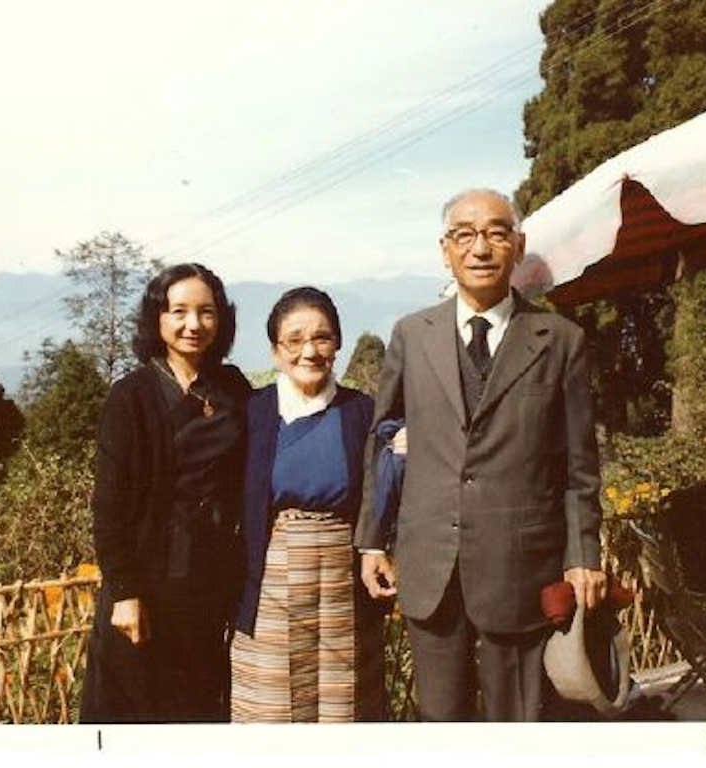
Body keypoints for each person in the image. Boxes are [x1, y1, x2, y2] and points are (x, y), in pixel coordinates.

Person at [354, 189, 607, 722]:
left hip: (521, 566)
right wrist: (372, 540)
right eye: (464, 235)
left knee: (518, 722)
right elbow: (383, 441)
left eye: (495, 232)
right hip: (431, 567)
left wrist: (583, 553)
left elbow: (580, 466)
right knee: (439, 722)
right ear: (445, 250)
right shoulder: (411, 334)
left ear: (518, 245)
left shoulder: (560, 340)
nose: (480, 247)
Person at [80, 263, 252, 723]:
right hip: (149, 587)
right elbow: (108, 508)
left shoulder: (233, 388)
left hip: (210, 587)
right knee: (134, 715)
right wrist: (125, 592)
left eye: (206, 312)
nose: (193, 324)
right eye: (179, 311)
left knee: (196, 711)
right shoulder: (131, 397)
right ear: (158, 319)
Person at [231, 286, 385, 723]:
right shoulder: (254, 413)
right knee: (272, 703)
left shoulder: (361, 411)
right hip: (274, 575)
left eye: (321, 337)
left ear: (338, 343)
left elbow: (384, 492)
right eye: (294, 340)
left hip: (343, 576)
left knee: (344, 703)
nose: (309, 351)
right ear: (277, 352)